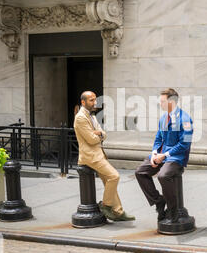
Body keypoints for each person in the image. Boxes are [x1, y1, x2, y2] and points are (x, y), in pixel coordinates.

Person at [74, 91, 135, 221]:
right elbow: (91, 139)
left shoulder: (92, 116)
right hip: (90, 156)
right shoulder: (80, 117)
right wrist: (99, 135)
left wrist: (99, 134)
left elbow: (103, 134)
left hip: (98, 154)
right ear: (83, 102)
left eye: (95, 99)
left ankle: (118, 212)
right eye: (91, 100)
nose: (95, 102)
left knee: (109, 180)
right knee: (114, 176)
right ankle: (106, 206)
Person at [135, 88, 193, 223]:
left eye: (162, 101)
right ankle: (159, 201)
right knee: (140, 172)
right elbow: (158, 139)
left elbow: (184, 145)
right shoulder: (163, 118)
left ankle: (172, 212)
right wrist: (154, 153)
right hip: (161, 155)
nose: (159, 103)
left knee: (163, 175)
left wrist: (164, 155)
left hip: (176, 157)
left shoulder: (185, 119)